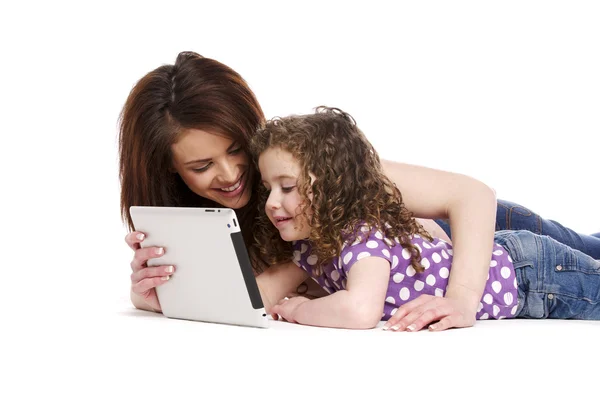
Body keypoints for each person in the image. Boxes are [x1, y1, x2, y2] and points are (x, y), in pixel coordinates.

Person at [119, 51, 599, 332]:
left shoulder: (310, 171)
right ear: (171, 173)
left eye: (236, 149)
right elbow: (253, 297)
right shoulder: (216, 221)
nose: (230, 173)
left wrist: (461, 299)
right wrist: (155, 293)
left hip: (485, 238)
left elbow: (472, 194)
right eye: (202, 166)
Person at [250, 107, 600, 330]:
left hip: (530, 274)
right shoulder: (314, 243)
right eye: (268, 189)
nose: (272, 202)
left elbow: (359, 310)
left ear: (331, 185)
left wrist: (298, 311)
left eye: (288, 187)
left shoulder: (360, 237)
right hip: (517, 267)